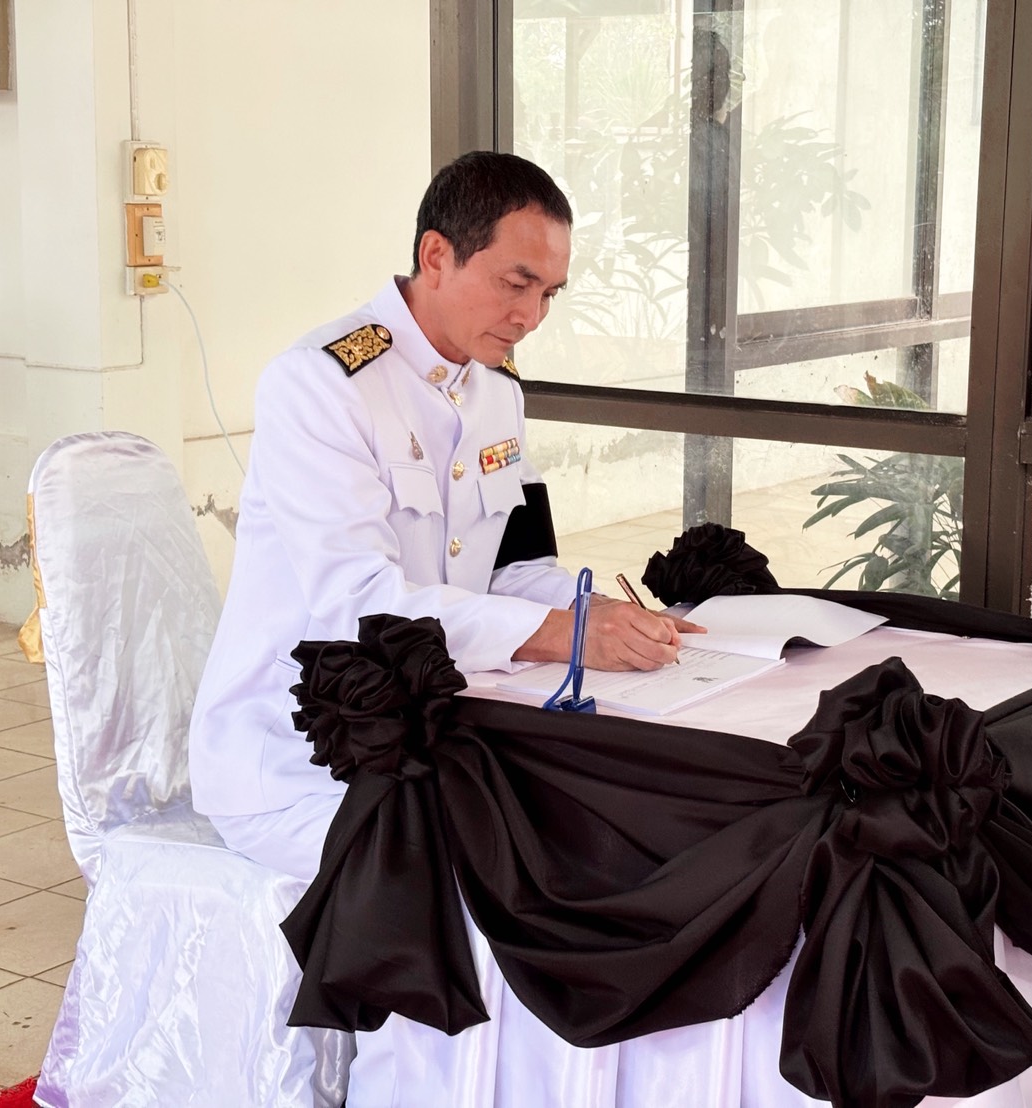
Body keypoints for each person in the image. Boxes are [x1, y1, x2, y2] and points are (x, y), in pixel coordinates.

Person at [189, 151, 694, 882]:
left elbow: (516, 568)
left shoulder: (497, 390)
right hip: (298, 758)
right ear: (436, 255)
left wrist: (603, 615)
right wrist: (566, 634)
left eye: (549, 293)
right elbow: (361, 607)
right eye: (516, 284)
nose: (531, 317)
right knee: (510, 876)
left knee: (603, 828)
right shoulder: (322, 384)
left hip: (436, 731)